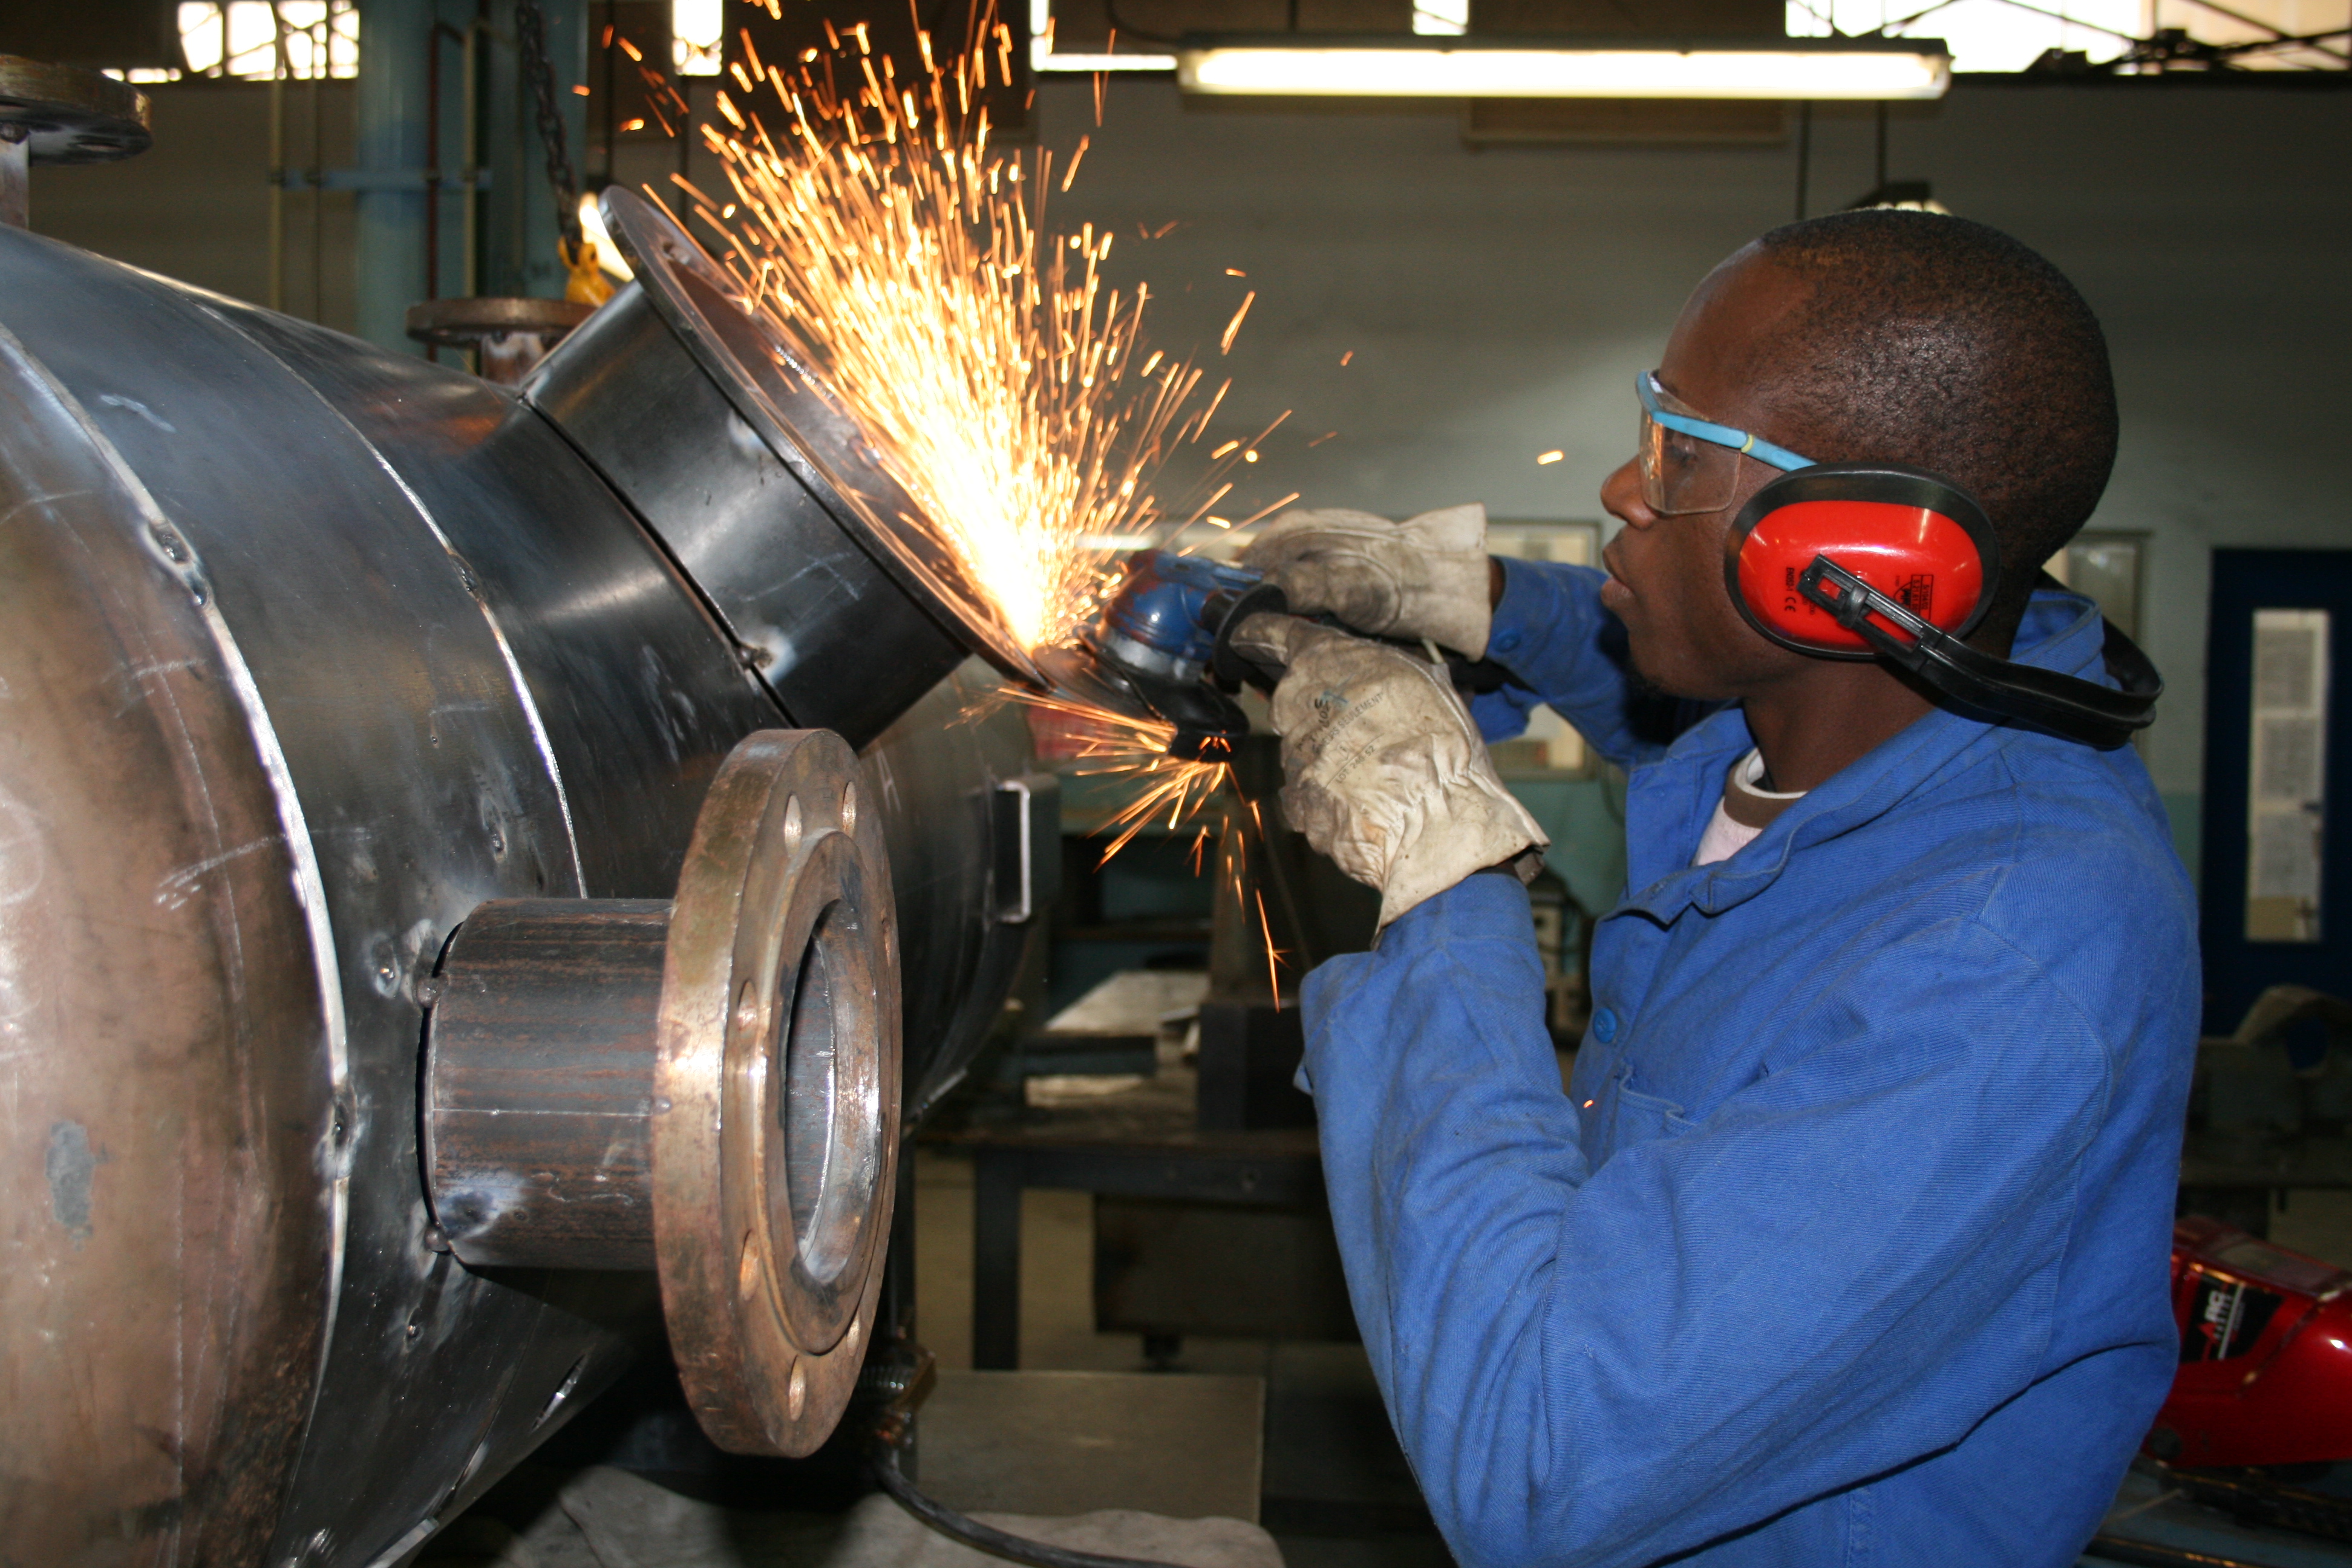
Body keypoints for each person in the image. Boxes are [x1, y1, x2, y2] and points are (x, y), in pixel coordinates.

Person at [1227, 210, 2200, 1567]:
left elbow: (1541, 1457)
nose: (1629, 489)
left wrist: (1442, 873)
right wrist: (1478, 599)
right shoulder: (1831, 727)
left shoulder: (1999, 956)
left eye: (1683, 454)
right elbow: (1669, 701)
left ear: (1857, 558)